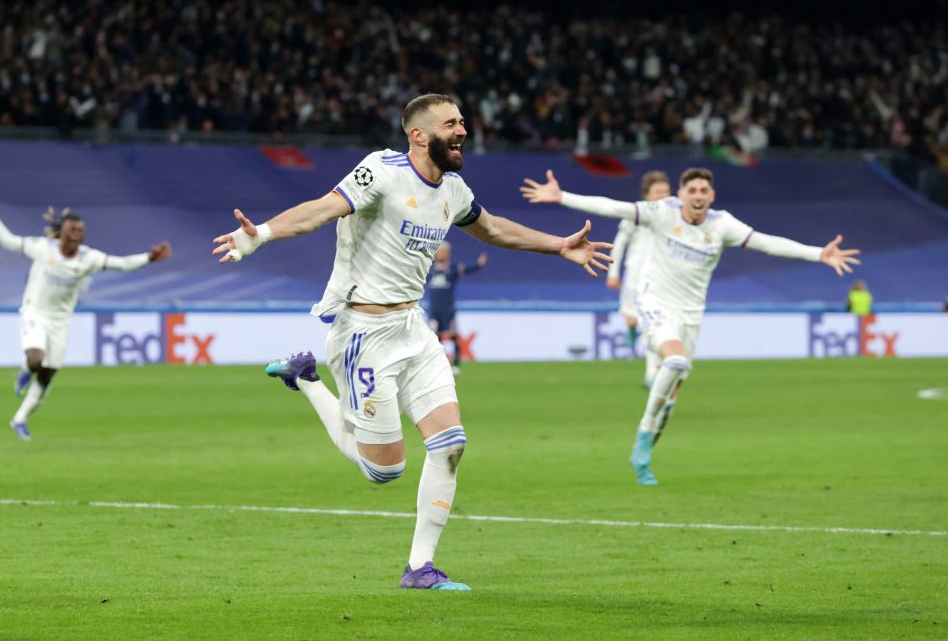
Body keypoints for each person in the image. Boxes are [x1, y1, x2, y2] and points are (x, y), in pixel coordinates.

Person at [211, 93, 611, 590]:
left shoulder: (455, 190)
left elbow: (493, 229)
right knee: (385, 472)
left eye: (463, 121)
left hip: (413, 330)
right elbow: (322, 209)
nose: (462, 129)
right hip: (363, 334)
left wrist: (558, 245)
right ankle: (308, 380)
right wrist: (263, 233)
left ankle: (420, 568)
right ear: (419, 134)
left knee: (450, 443)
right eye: (450, 123)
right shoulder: (381, 170)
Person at [521, 167, 860, 486]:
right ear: (681, 193)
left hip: (691, 316)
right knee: (676, 361)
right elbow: (612, 207)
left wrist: (819, 254)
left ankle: (644, 453)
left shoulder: (722, 225)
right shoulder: (662, 212)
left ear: (711, 195)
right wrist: (562, 196)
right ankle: (641, 436)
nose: (698, 195)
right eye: (692, 189)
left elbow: (767, 242)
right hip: (654, 304)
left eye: (704, 190)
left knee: (671, 396)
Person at [0, 190, 171, 440]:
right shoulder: (44, 249)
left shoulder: (89, 258)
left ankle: (19, 419)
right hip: (34, 312)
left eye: (80, 231)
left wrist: (149, 257)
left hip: (60, 322)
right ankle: (25, 370)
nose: (77, 234)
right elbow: (9, 241)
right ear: (61, 233)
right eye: (73, 230)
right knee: (35, 359)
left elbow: (121, 263)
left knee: (47, 373)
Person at [606, 171, 671, 386]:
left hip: (661, 275)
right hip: (635, 271)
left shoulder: (675, 215)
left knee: (653, 324)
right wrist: (613, 273)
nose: (662, 195)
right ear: (647, 194)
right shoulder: (635, 213)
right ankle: (632, 330)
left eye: (665, 191)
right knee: (633, 319)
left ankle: (651, 375)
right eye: (657, 191)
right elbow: (620, 243)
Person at [426, 243, 487, 374]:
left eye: (443, 252)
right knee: (434, 338)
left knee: (453, 336)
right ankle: (436, 364)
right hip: (434, 310)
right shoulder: (430, 269)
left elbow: (467, 270)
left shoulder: (453, 269)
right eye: (438, 251)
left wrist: (478, 265)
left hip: (448, 310)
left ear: (448, 254)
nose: (440, 254)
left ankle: (456, 365)